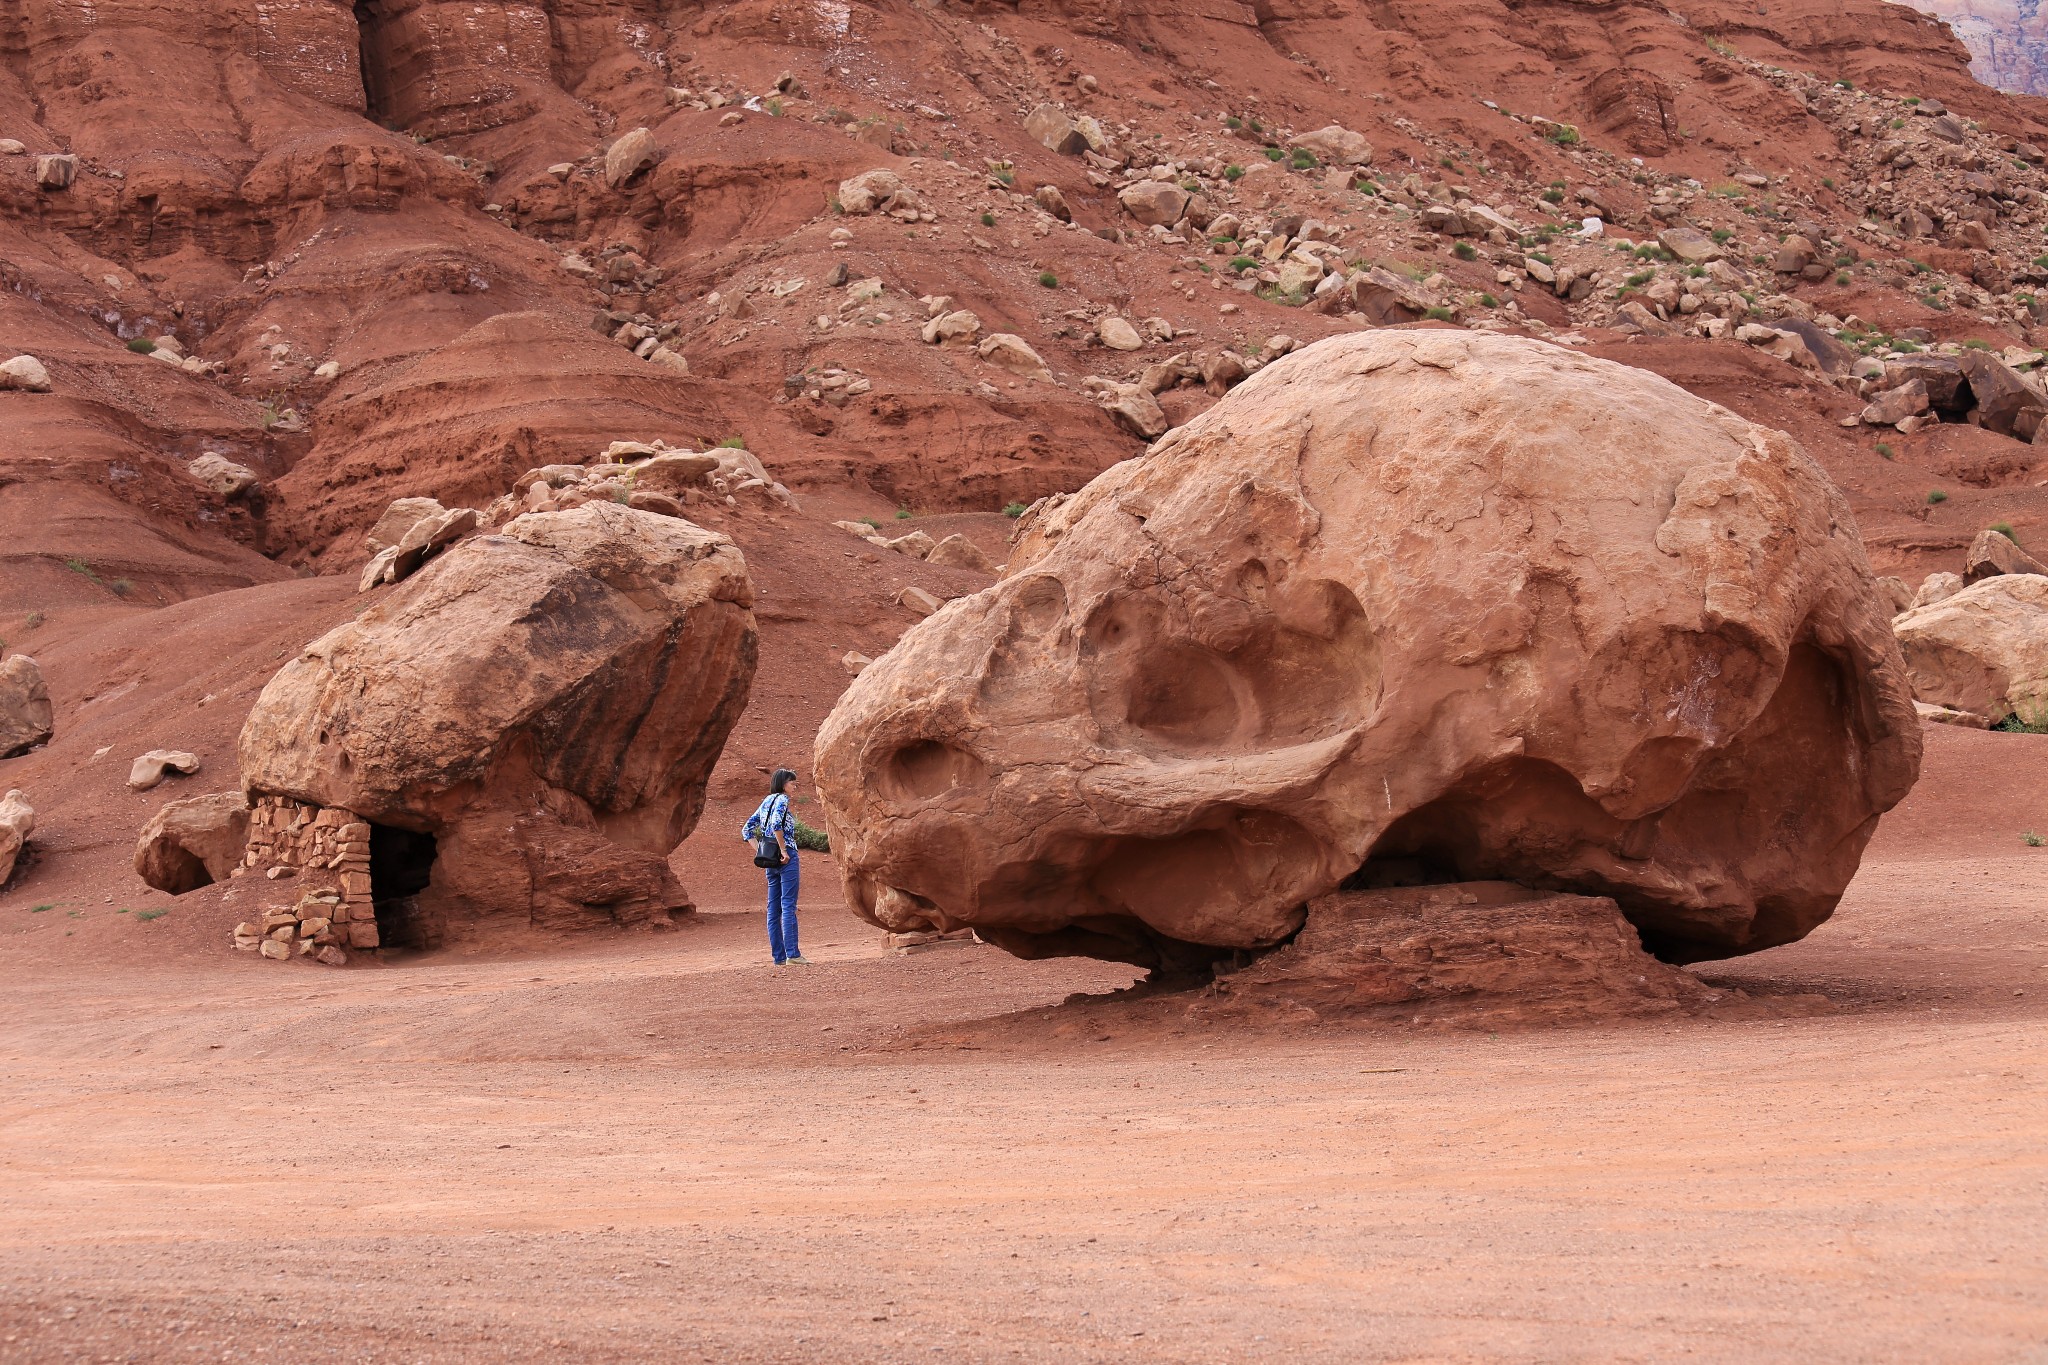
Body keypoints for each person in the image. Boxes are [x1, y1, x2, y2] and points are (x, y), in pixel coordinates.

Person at [743, 768, 808, 965]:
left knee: (773, 909)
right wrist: (784, 850)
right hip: (786, 858)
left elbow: (746, 829)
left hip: (770, 861)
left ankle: (779, 957)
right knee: (788, 905)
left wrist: (760, 851)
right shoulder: (781, 800)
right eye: (791, 782)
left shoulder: (766, 801)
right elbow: (776, 825)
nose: (794, 785)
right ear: (782, 783)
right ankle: (793, 955)